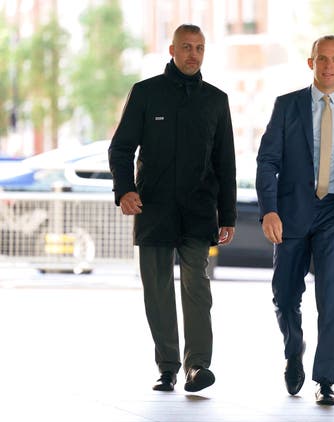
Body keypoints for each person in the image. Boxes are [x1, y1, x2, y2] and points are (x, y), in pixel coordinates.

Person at [108, 24, 236, 393]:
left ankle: (196, 366)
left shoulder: (216, 100)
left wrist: (226, 215)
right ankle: (167, 366)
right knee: (157, 289)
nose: (193, 54)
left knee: (197, 285)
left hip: (198, 211)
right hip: (153, 208)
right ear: (172, 49)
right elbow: (120, 149)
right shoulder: (146, 93)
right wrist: (124, 191)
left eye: (199, 48)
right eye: (186, 47)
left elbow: (225, 163)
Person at [256, 35, 334, 405]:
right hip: (292, 211)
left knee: (331, 298)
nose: (327, 66)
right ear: (310, 63)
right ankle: (294, 350)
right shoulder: (286, 106)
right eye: (321, 59)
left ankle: (325, 379)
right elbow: (267, 161)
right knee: (285, 294)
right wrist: (269, 209)